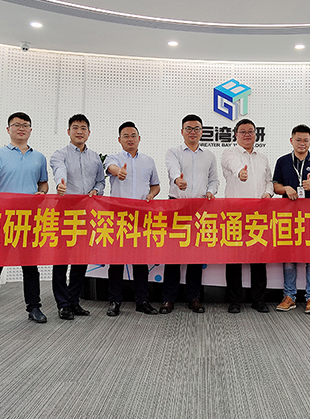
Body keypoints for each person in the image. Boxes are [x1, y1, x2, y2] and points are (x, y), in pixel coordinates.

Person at [0, 112, 49, 328]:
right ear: (8, 129)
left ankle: (34, 307)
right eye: (16, 125)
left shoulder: (39, 157)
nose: (21, 128)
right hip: (1, 218)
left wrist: (43, 193)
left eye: (25, 125)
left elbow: (43, 184)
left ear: (30, 130)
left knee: (30, 266)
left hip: (28, 219)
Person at [50, 114, 106, 320]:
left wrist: (96, 191)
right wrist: (61, 183)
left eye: (83, 128)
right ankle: (62, 304)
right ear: (68, 132)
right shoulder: (59, 155)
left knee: (81, 260)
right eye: (75, 128)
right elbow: (59, 171)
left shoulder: (95, 158)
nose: (79, 131)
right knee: (61, 260)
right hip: (65, 212)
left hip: (86, 213)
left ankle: (74, 301)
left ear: (89, 133)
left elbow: (101, 181)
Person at [161, 114, 219, 314]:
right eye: (189, 128)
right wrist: (178, 180)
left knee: (196, 254)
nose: (193, 132)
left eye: (196, 129)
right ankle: (168, 298)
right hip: (176, 207)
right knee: (173, 255)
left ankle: (193, 297)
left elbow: (214, 179)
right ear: (182, 131)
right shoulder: (173, 152)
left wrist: (211, 191)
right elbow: (172, 169)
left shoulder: (209, 155)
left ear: (202, 132)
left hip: (200, 208)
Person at [273, 124, 310, 315]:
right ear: (291, 140)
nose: (302, 143)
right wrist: (285, 188)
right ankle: (289, 296)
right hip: (289, 217)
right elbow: (275, 186)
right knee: (289, 258)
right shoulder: (282, 161)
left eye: (306, 140)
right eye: (298, 140)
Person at [104, 121, 161, 316]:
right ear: (119, 140)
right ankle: (114, 301)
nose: (130, 139)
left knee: (140, 261)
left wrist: (152, 194)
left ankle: (142, 301)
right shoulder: (114, 158)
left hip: (141, 218)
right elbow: (111, 168)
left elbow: (156, 185)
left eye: (133, 135)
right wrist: (118, 172)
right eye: (126, 136)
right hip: (119, 218)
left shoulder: (148, 161)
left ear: (139, 138)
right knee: (117, 262)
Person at [220, 118, 273, 313]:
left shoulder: (263, 157)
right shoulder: (229, 153)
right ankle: (234, 300)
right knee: (234, 259)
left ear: (256, 134)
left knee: (258, 259)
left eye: (250, 131)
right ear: (236, 135)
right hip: (234, 214)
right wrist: (240, 173)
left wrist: (268, 193)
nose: (247, 135)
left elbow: (269, 180)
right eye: (243, 131)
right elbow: (234, 165)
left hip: (258, 215)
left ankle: (258, 300)